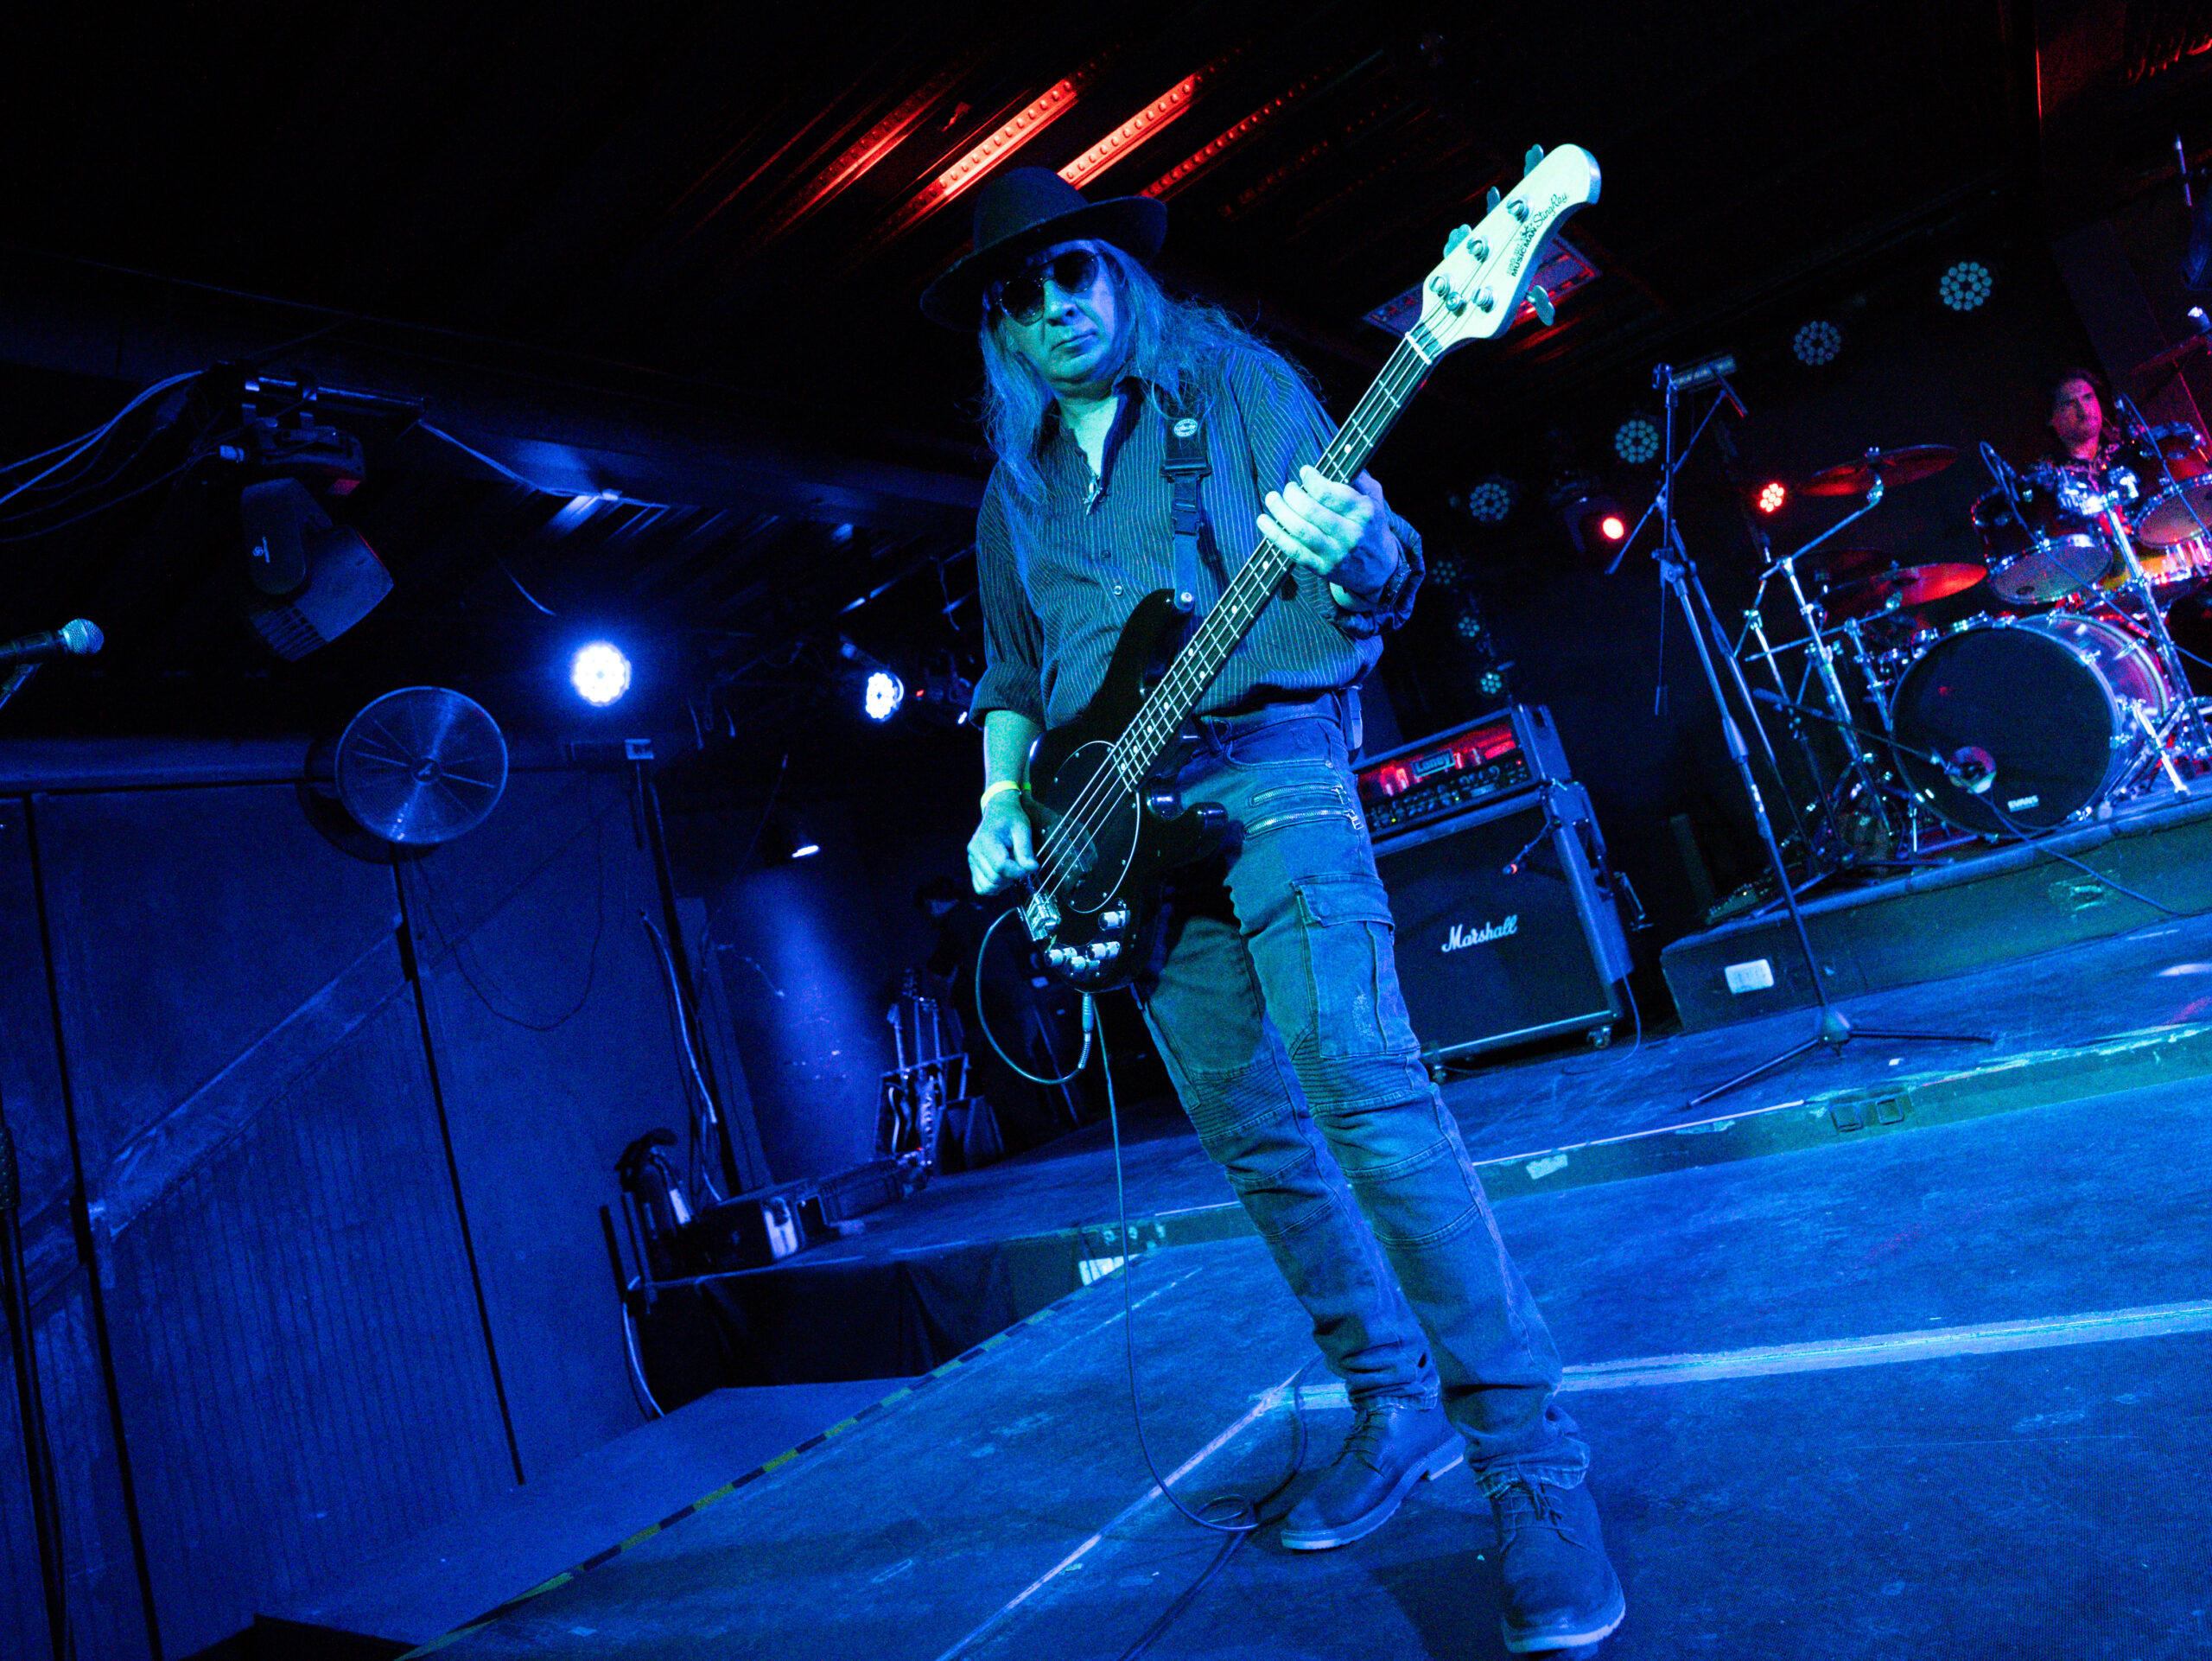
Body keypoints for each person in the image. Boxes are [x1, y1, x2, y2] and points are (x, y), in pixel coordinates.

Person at [921, 167, 1624, 1655]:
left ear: (1120, 277)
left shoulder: (1236, 389)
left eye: (1073, 275)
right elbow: (1013, 673)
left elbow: (1382, 569)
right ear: (1000, 330)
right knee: (1255, 1141)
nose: (1053, 311)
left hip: (1273, 766)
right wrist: (1000, 797)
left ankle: (1533, 1465)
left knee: (1366, 1093)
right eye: (1019, 299)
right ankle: (1389, 1405)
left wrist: (1357, 544)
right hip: (1117, 832)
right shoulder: (1015, 487)